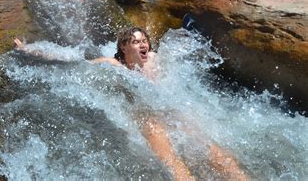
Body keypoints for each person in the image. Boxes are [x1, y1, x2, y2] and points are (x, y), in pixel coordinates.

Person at [13, 27, 247, 180]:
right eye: (136, 42)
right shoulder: (114, 65)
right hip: (145, 115)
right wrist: (28, 49)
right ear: (124, 47)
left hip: (171, 110)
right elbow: (72, 59)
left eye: (144, 40)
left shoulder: (155, 60)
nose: (143, 44)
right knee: (172, 162)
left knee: (212, 151)